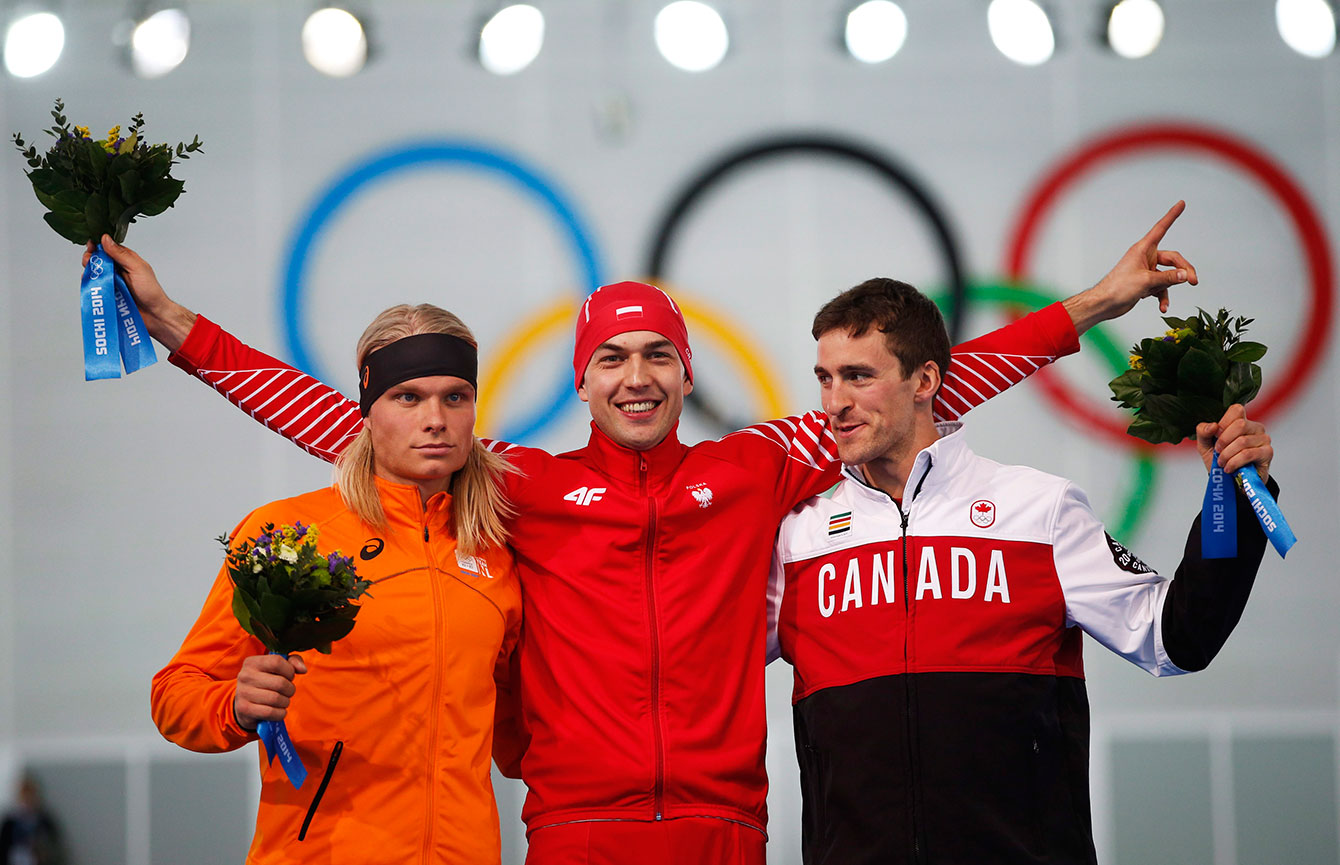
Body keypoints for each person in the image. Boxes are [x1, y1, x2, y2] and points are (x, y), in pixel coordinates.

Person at [101, 201, 1195, 865]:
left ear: (684, 372)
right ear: (581, 380)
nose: (636, 376)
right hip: (578, 829)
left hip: (723, 825)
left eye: (656, 356)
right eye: (612, 359)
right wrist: (176, 328)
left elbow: (915, 393)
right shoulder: (516, 483)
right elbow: (345, 416)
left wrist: (1088, 307)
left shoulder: (751, 465)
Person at [769, 278, 1276, 865]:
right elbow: (691, 656)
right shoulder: (797, 536)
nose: (834, 402)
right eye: (825, 379)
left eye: (858, 376)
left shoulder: (1039, 508)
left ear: (925, 382)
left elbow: (1177, 638)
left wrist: (1236, 498)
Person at [150, 304, 523, 864]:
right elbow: (176, 693)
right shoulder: (289, 535)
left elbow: (522, 735)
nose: (435, 419)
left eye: (455, 397)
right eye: (408, 397)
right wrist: (234, 705)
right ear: (368, 414)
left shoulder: (497, 555)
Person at [0, 774, 65, 865]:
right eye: (24, 796)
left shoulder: (44, 821)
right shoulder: (10, 823)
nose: (27, 800)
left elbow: (54, 845)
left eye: (30, 796)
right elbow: (4, 848)